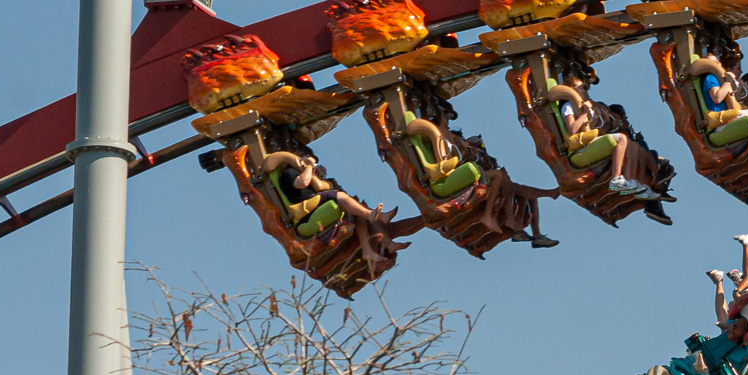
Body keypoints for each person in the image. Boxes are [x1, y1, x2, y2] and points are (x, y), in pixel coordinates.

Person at [404, 119, 559, 245]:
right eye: (445, 119)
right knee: (502, 178)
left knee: (518, 190)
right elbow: (453, 160)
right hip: (455, 175)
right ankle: (497, 216)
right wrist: (465, 149)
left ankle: (533, 232)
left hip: (462, 172)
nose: (447, 121)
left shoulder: (445, 136)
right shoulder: (442, 135)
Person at [262, 149, 406, 268]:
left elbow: (322, 186)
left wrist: (315, 172)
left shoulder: (306, 173)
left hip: (315, 206)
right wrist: (308, 166)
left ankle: (373, 248)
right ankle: (372, 215)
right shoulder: (289, 173)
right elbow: (303, 183)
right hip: (306, 214)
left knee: (356, 210)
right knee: (341, 197)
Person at [556, 75, 653, 198]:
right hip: (580, 149)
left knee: (631, 145)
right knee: (621, 138)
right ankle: (616, 179)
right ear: (571, 90)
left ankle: (631, 182)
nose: (584, 91)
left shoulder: (586, 106)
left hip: (590, 142)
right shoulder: (568, 106)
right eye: (581, 88)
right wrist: (585, 114)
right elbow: (572, 128)